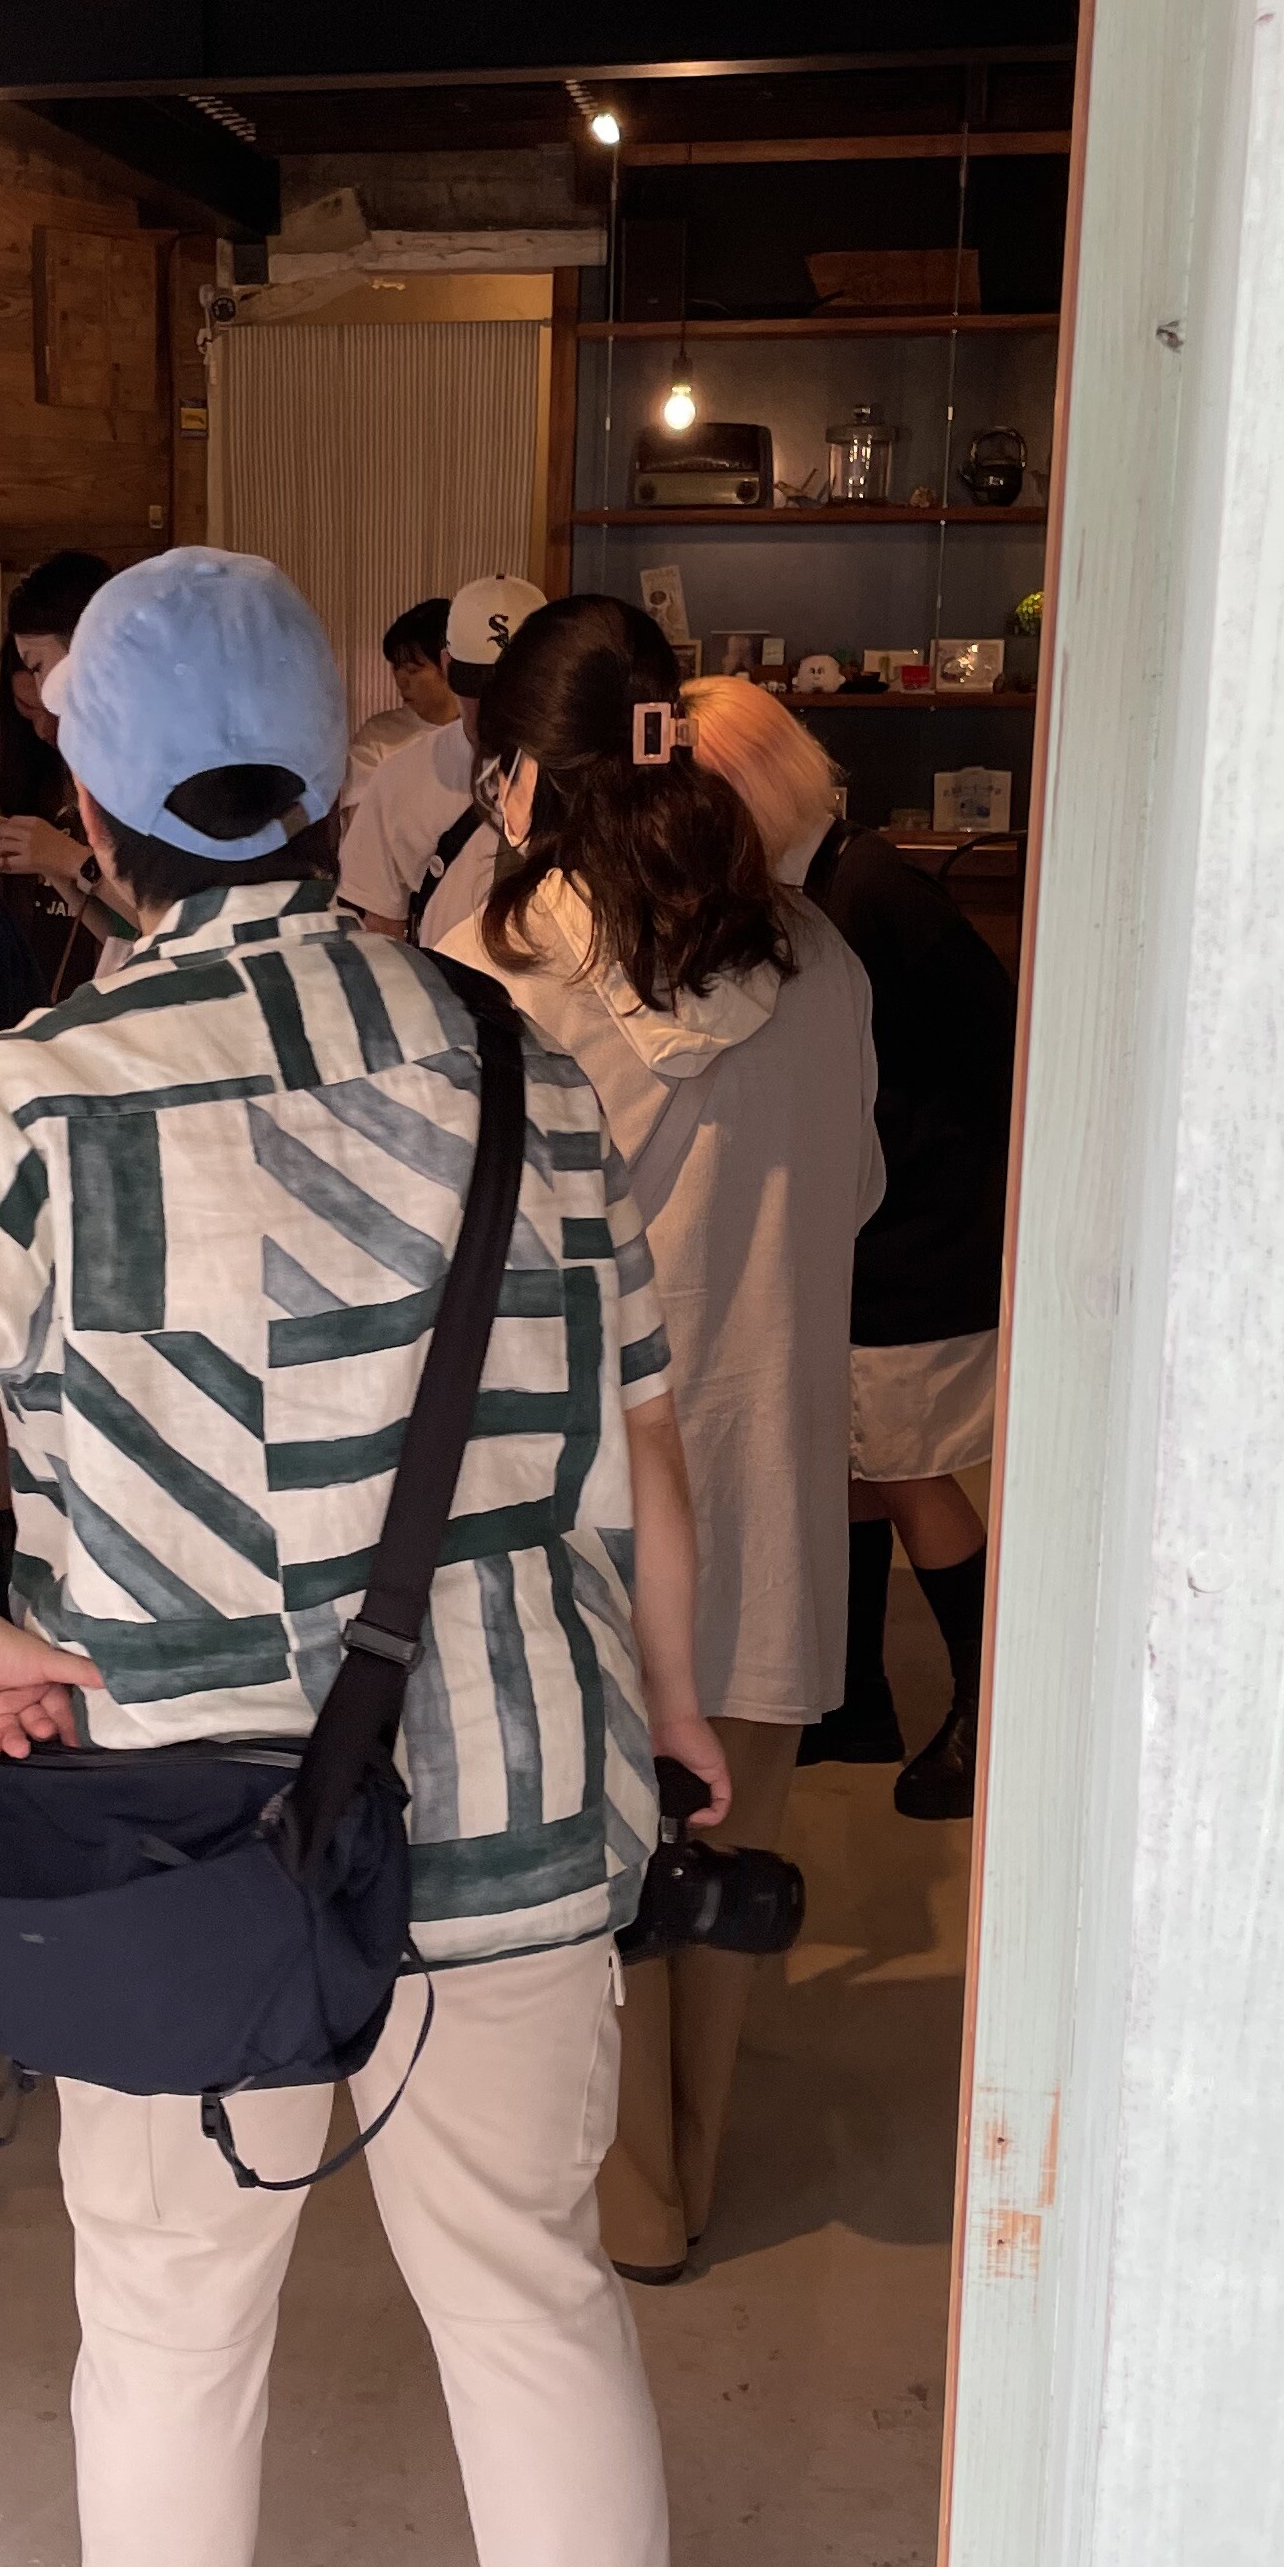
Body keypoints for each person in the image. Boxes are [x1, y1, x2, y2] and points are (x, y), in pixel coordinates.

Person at [0, 546, 730, 2567]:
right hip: (521, 1805)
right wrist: (678, 1707)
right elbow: (644, 1444)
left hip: (195, 1854)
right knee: (530, 2303)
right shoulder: (519, 1062)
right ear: (337, 788)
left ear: (93, 811)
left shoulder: (41, 1097)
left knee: (175, 2316)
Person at [443, 606, 881, 2281]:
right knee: (731, 1848)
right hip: (769, 1470)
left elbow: (449, 1249)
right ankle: (695, 2158)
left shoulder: (490, 969)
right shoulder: (819, 960)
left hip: (566, 1496)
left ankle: (628, 2203)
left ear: (520, 771)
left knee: (589, 1862)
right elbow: (851, 1193)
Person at [762, 794, 1019, 1822]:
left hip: (919, 1227)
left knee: (908, 1465)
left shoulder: (871, 887)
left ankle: (987, 1711)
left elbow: (994, 1045)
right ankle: (853, 1695)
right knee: (857, 1456)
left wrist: (933, 1167)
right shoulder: (832, 883)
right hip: (880, 1218)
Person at [337, 569, 544, 946]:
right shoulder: (397, 776)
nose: (496, 705)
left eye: (516, 686)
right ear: (449, 667)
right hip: (444, 981)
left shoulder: (589, 775)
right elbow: (379, 926)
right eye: (479, 684)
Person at [0, 547, 116, 1003]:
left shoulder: (140, 755)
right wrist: (43, 860)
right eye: (27, 710)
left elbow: (164, 925)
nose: (45, 726)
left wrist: (66, 858)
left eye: (41, 667)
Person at [340, 595, 457, 818]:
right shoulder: (378, 738)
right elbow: (360, 827)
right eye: (396, 668)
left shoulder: (482, 735)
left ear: (449, 665)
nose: (401, 681)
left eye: (413, 670)